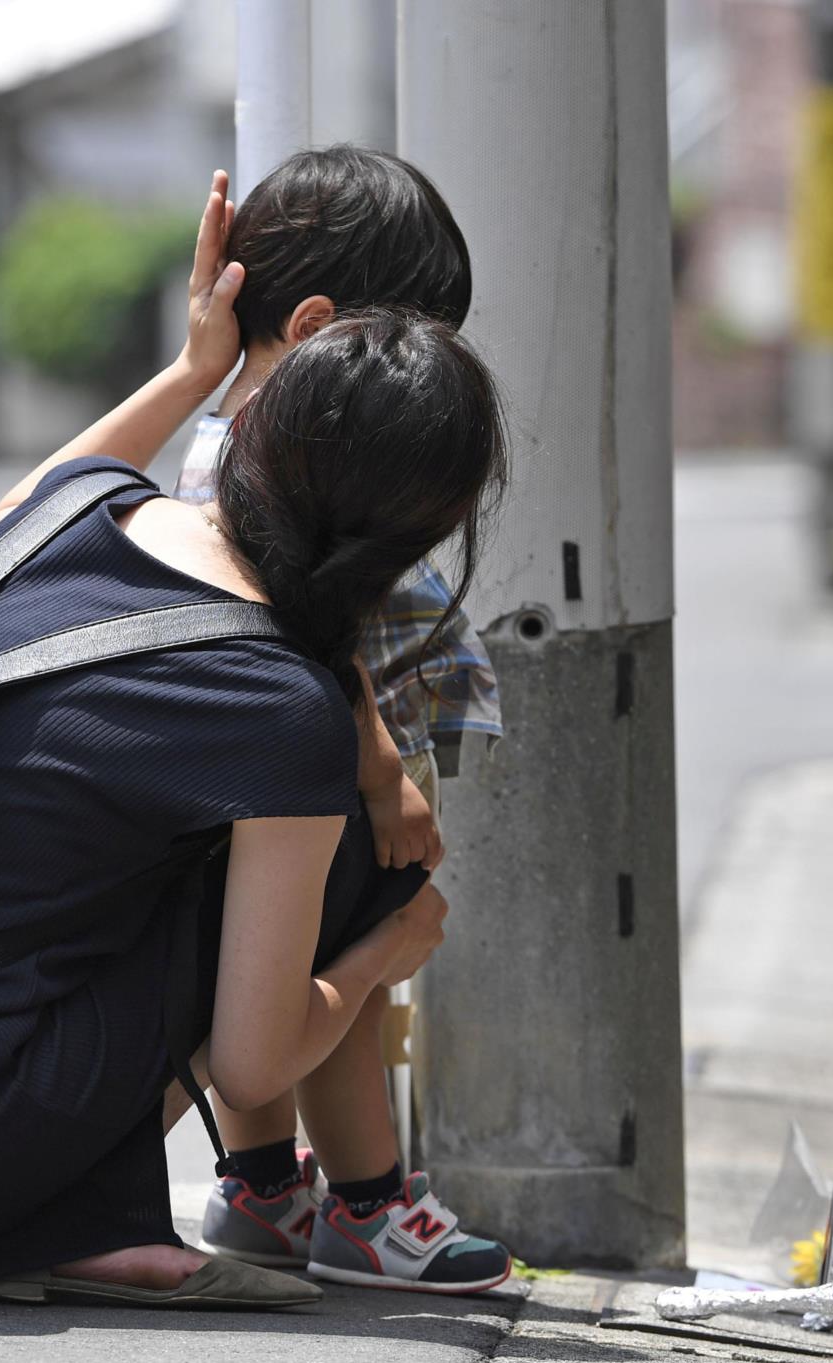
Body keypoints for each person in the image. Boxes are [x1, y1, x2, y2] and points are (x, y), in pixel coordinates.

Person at [0, 174, 511, 1306]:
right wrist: (391, 943)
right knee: (363, 870)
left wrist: (192, 367)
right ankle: (85, 1217)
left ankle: (77, 1211)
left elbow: (3, 525)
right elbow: (252, 1059)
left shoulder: (81, 507)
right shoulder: (283, 703)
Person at [160, 147, 503, 1275]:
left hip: (254, 764)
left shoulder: (218, 436)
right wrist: (378, 772)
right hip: (322, 756)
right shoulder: (277, 455)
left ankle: (263, 1189)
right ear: (315, 328)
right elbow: (311, 636)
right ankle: (369, 1203)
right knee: (343, 960)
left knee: (261, 966)